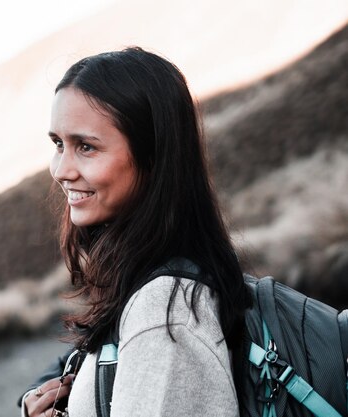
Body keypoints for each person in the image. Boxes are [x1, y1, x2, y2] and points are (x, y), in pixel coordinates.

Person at [19, 47, 252, 416]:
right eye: (58, 144)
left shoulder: (165, 316)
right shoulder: (141, 280)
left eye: (86, 147)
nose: (61, 169)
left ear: (153, 157)